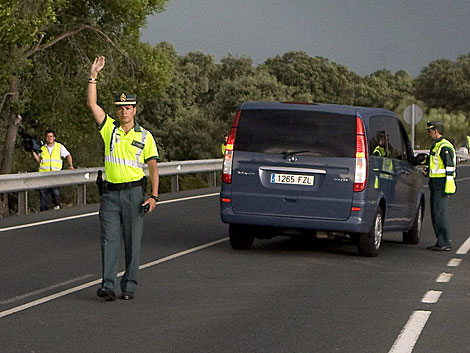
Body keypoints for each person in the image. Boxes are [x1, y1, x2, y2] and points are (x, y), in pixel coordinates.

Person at [87, 56, 159, 301]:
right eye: (120, 107)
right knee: (108, 240)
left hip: (133, 194)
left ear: (134, 110)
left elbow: (153, 167)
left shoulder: (145, 136)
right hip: (110, 195)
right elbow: (93, 104)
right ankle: (107, 285)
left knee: (132, 242)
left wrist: (154, 196)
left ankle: (129, 286)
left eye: (127, 107)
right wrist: (93, 76)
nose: (123, 111)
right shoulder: (110, 129)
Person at [423, 121, 456, 251]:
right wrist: (427, 171)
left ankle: (444, 242)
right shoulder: (437, 145)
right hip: (435, 182)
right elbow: (436, 165)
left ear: (436, 131)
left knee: (439, 213)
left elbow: (449, 168)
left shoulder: (444, 146)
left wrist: (448, 187)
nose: (429, 133)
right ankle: (441, 241)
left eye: (430, 131)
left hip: (441, 184)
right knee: (435, 213)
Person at [32, 129, 75, 211]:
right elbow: (39, 160)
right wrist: (33, 152)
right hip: (43, 174)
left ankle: (56, 205)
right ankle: (44, 211)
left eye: (51, 136)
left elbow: (68, 155)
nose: (49, 138)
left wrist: (70, 165)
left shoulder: (59, 147)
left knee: (55, 192)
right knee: (43, 193)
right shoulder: (42, 148)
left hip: (55, 174)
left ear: (54, 137)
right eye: (48, 136)